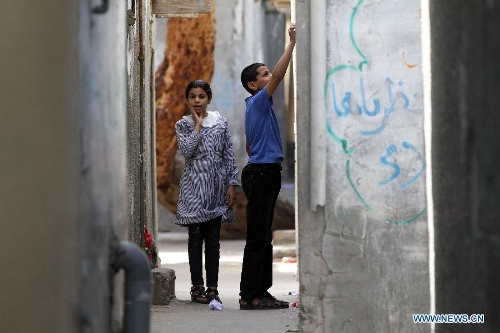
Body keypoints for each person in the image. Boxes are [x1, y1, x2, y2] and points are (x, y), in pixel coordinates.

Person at [238, 23, 296, 310]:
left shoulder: (256, 108)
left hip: (264, 171)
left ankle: (262, 291)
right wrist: (292, 44)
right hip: (261, 174)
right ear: (253, 85)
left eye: (267, 72)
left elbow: (250, 146)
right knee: (257, 237)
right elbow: (281, 74)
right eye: (264, 75)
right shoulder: (260, 102)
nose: (270, 76)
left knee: (264, 237)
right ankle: (249, 295)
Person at [175, 79, 239, 305]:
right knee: (195, 238)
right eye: (192, 97)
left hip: (216, 188)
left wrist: (232, 183)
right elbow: (187, 151)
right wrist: (197, 125)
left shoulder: (220, 122)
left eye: (201, 96)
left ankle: (213, 288)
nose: (197, 101)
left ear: (208, 98)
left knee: (213, 240)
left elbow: (228, 154)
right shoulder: (182, 124)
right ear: (187, 99)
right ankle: (197, 287)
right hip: (194, 188)